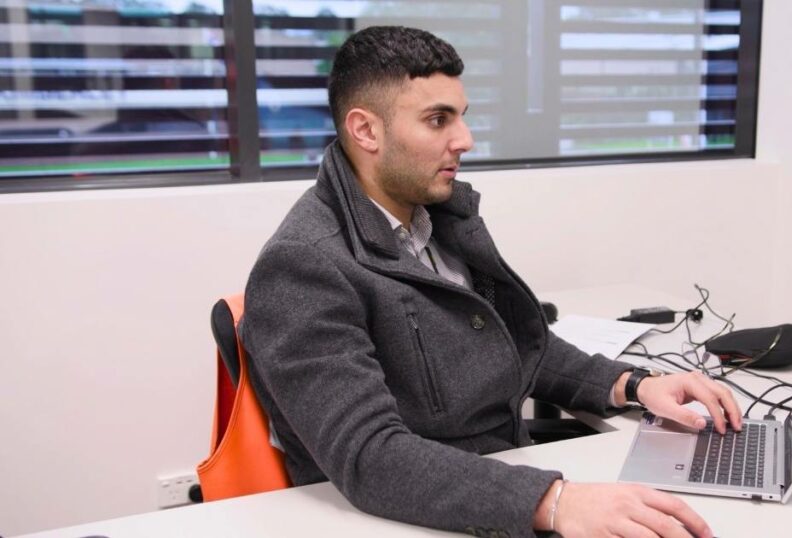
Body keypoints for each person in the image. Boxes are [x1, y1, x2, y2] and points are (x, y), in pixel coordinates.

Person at [240, 26, 742, 538]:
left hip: (498, 481)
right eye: (438, 120)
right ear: (366, 131)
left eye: (461, 117)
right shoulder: (304, 267)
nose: (465, 140)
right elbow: (371, 456)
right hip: (420, 513)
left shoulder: (435, 217)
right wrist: (555, 501)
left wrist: (634, 383)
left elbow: (516, 343)